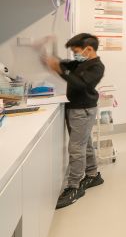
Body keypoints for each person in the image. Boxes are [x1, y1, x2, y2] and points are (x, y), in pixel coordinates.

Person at [42, 33, 106, 209]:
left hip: (83, 109)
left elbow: (80, 83)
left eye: (76, 51)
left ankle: (74, 187)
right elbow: (63, 66)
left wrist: (61, 69)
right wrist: (48, 55)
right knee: (85, 144)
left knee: (76, 148)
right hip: (76, 108)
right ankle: (93, 175)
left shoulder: (97, 67)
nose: (74, 55)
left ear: (89, 49)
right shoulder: (80, 63)